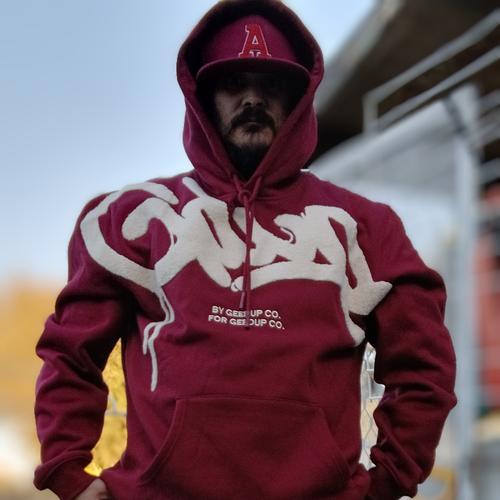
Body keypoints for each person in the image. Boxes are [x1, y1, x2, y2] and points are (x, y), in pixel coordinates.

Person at [34, 1, 457, 499]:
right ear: (203, 96)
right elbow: (70, 353)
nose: (253, 99)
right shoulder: (133, 218)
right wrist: (67, 472)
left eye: (271, 84)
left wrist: (387, 480)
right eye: (234, 83)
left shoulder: (365, 228)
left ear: (297, 98)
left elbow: (424, 368)